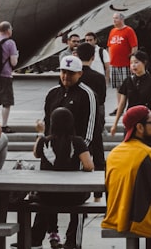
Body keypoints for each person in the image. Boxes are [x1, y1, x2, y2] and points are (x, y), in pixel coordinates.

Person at [30, 107, 94, 249]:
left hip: (47, 196)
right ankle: (72, 241)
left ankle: (35, 239)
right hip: (72, 196)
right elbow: (88, 166)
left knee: (43, 201)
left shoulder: (44, 141)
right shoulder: (77, 142)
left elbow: (35, 153)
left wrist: (40, 133)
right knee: (80, 206)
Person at [102, 105, 151, 238]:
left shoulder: (113, 154)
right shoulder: (147, 153)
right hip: (142, 222)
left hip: (115, 219)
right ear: (139, 127)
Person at [40, 55, 98, 154]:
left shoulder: (87, 94)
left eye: (71, 73)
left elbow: (90, 130)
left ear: (80, 74)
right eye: (63, 72)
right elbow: (47, 122)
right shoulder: (53, 93)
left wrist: (78, 152)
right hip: (52, 153)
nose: (66, 76)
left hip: (76, 153)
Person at [109, 51, 151, 138]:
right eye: (131, 63)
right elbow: (122, 104)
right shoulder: (128, 81)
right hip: (131, 120)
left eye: (136, 62)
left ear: (144, 62)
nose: (133, 65)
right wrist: (115, 124)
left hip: (146, 121)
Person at [76, 42, 108, 170]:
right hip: (93, 118)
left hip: (76, 118)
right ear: (93, 57)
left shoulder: (74, 76)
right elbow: (102, 100)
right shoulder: (99, 77)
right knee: (97, 150)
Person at [0, 21, 19, 131]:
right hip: (5, 74)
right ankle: (4, 125)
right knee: (6, 102)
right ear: (8, 30)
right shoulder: (10, 43)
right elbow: (14, 62)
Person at [107, 13, 138, 93]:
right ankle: (119, 104)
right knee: (118, 87)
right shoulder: (112, 31)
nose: (114, 20)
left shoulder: (129, 30)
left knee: (127, 86)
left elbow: (134, 47)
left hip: (125, 64)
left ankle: (129, 103)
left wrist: (132, 62)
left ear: (122, 19)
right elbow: (109, 46)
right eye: (113, 18)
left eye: (116, 18)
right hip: (114, 64)